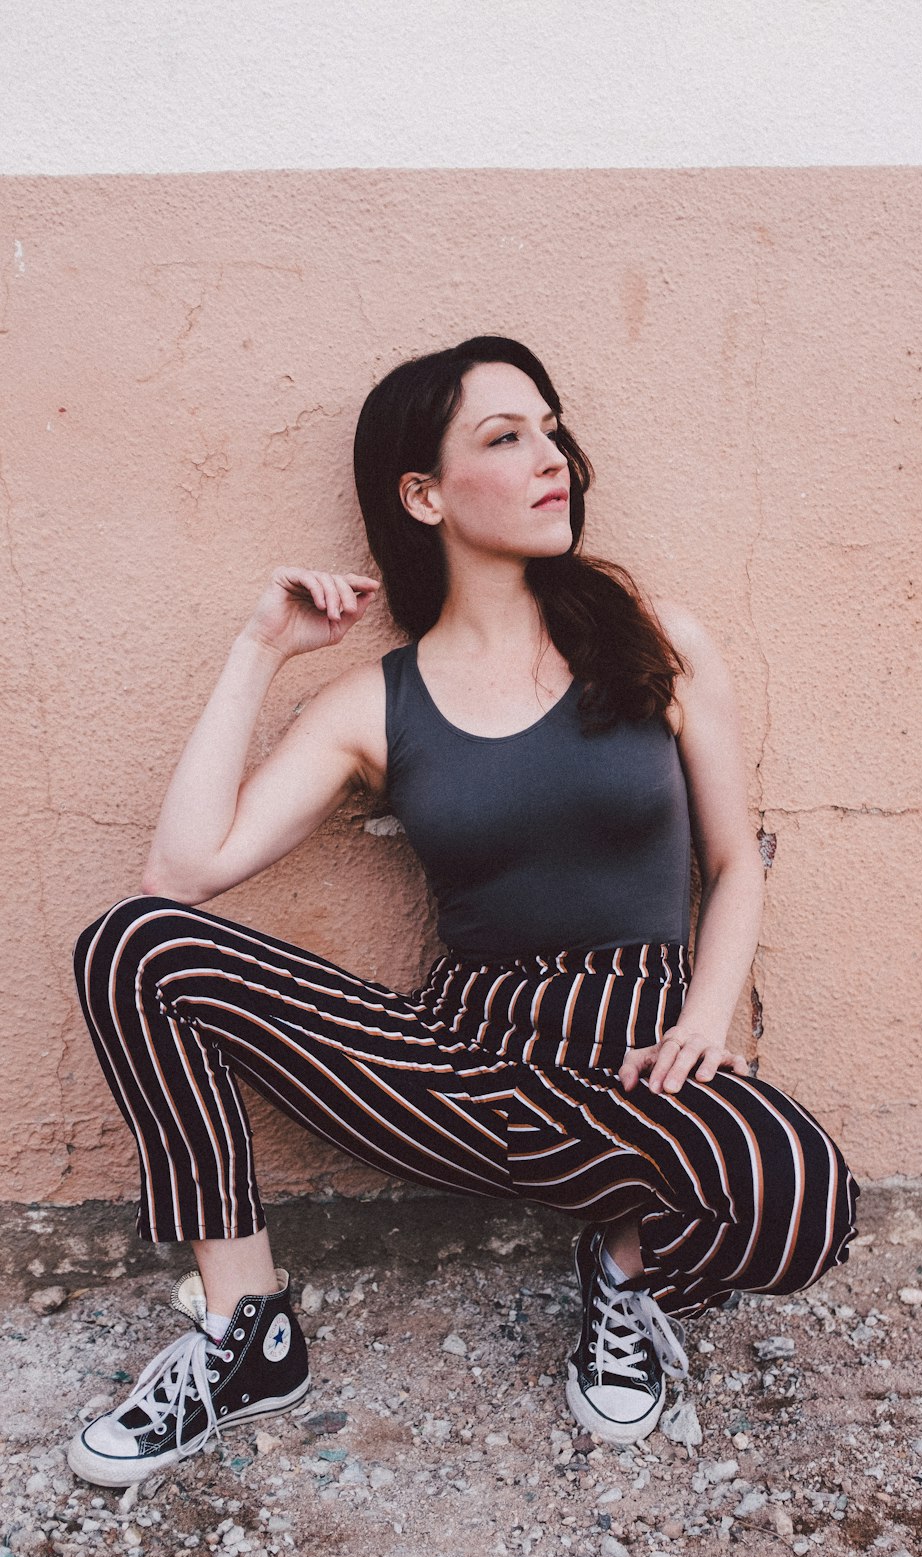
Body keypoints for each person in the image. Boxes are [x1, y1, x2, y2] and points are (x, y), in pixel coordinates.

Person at [67, 334, 860, 1488]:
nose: (553, 460)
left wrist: (704, 1019)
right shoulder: (373, 703)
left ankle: (625, 1267)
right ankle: (248, 1333)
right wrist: (259, 650)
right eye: (506, 437)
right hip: (456, 1064)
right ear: (423, 494)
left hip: (639, 1055)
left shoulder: (655, 638)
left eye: (552, 430)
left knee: (802, 1194)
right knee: (132, 943)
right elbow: (182, 874)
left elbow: (737, 862)